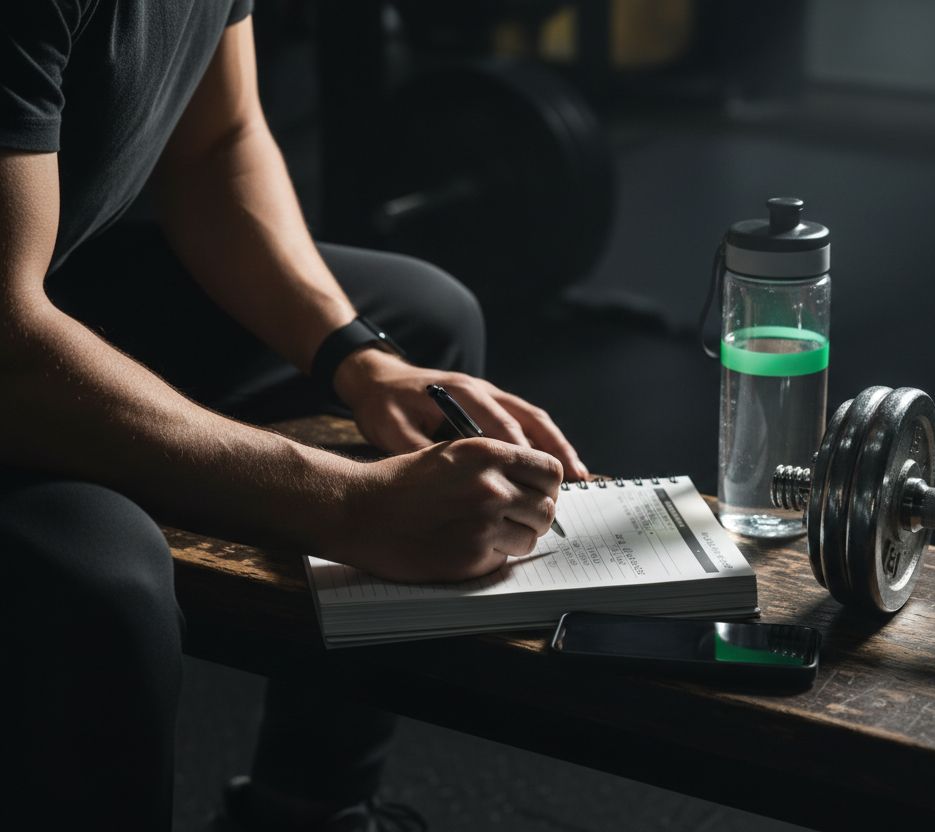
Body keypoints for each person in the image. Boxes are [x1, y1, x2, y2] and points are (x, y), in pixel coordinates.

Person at [0, 2, 591, 830]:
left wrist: (360, 360)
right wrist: (348, 504)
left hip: (45, 273)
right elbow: (9, 346)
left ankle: (307, 810)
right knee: (102, 572)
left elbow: (218, 145)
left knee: (425, 323)